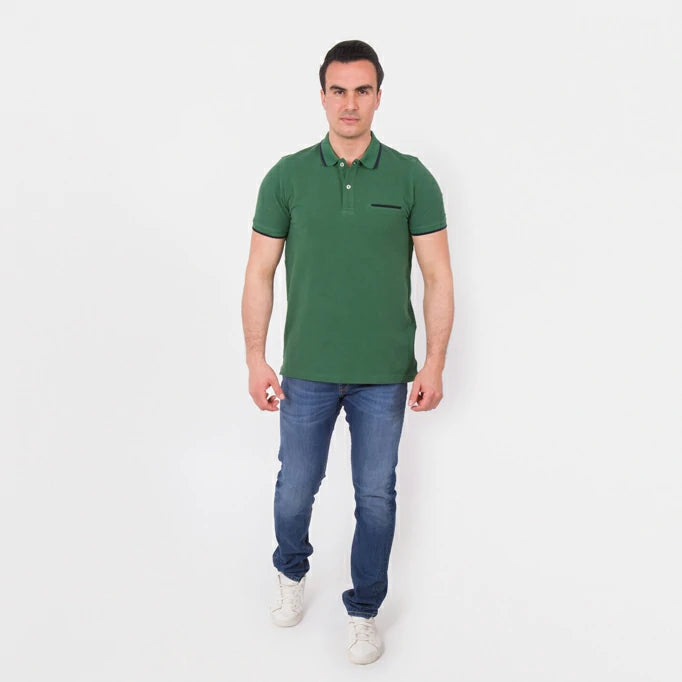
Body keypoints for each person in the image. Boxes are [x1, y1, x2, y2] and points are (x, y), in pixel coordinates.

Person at [241, 39, 454, 665]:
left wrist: (434, 362)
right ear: (323, 96)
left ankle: (363, 611)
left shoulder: (412, 177)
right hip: (305, 371)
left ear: (379, 96)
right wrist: (255, 357)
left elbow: (438, 276)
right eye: (339, 90)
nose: (350, 103)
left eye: (363, 90)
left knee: (376, 497)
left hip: (383, 376)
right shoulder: (287, 176)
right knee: (295, 488)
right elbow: (259, 272)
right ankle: (291, 570)